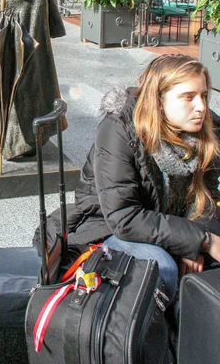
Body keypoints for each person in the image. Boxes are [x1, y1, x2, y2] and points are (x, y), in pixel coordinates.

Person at [45, 55, 220, 306]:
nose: (201, 106)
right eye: (188, 97)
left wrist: (197, 239)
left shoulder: (209, 130)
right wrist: (200, 240)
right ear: (158, 101)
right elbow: (124, 218)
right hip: (108, 227)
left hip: (175, 224)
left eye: (203, 95)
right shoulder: (119, 129)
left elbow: (211, 196)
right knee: (160, 267)